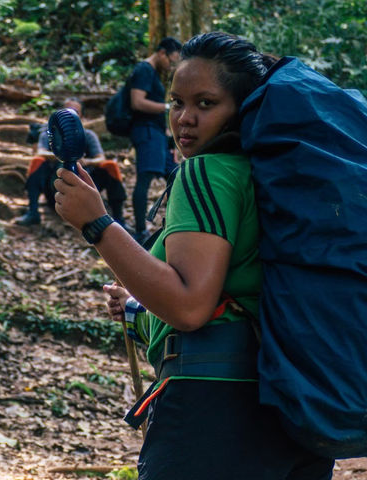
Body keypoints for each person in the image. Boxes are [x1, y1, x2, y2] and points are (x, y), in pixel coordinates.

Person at [53, 32, 335, 479]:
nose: (184, 119)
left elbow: (188, 306)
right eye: (177, 102)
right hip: (295, 406)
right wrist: (136, 309)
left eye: (206, 104)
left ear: (243, 110)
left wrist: (97, 224)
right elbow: (236, 291)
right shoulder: (276, 180)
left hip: (214, 410)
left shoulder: (207, 172)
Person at [15, 98, 126, 226]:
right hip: (54, 186)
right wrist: (62, 156)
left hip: (86, 186)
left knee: (110, 166)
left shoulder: (88, 135)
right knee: (37, 162)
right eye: (66, 111)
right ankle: (32, 212)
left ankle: (119, 219)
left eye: (75, 112)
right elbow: (40, 153)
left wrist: (85, 161)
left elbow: (100, 158)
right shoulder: (49, 133)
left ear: (81, 116)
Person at [128, 37, 182, 244]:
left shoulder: (152, 73)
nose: (171, 66)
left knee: (175, 174)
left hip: (157, 134)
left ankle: (173, 223)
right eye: (171, 60)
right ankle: (140, 230)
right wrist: (169, 107)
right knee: (145, 178)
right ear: (161, 53)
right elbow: (137, 101)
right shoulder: (144, 70)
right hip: (147, 133)